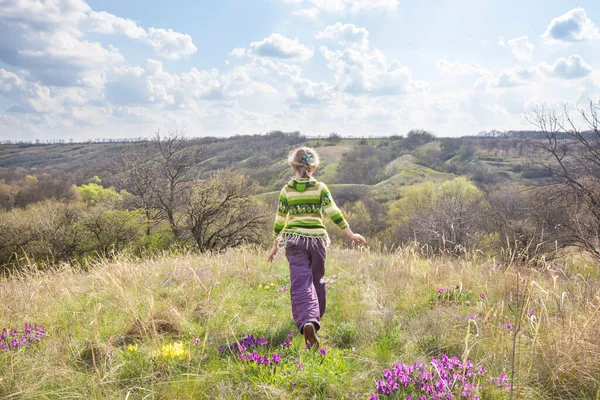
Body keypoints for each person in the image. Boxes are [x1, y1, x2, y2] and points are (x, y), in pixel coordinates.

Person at [267, 146, 367, 348]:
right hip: (318, 241)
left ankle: (308, 321)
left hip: (294, 240)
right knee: (317, 280)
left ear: (293, 166)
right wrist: (351, 233)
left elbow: (279, 220)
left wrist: (275, 244)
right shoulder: (320, 188)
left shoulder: (286, 191)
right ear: (314, 168)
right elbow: (334, 212)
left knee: (300, 282)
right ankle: (315, 318)